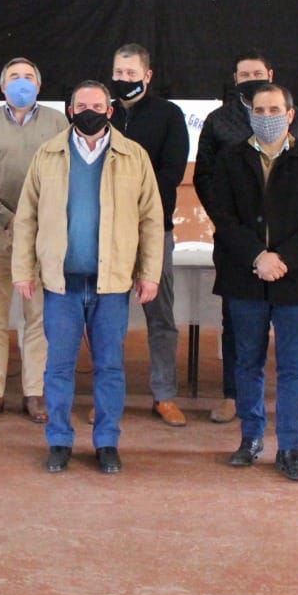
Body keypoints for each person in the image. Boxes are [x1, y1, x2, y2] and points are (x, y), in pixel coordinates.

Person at [13, 81, 163, 474]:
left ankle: (107, 441)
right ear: (70, 110)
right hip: (61, 283)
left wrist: (149, 273)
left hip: (111, 284)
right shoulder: (47, 154)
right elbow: (26, 217)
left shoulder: (134, 156)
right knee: (58, 367)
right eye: (82, 106)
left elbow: (151, 220)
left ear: (110, 111)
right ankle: (59, 441)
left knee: (110, 367)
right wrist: (23, 270)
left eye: (97, 106)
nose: (89, 112)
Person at [209, 83, 298, 482]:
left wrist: (282, 259)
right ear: (250, 115)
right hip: (245, 277)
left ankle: (290, 448)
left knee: (294, 369)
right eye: (259, 110)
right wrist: (257, 256)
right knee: (247, 363)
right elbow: (223, 217)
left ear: (290, 115)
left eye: (274, 110)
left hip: (295, 279)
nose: (266, 117)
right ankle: (250, 438)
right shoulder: (230, 158)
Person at [194, 51, 298, 425]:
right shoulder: (218, 122)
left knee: (292, 343)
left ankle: (291, 411)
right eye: (244, 75)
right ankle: (234, 397)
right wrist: (244, 241)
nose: (252, 79)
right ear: (235, 81)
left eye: (257, 73)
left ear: (271, 75)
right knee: (239, 332)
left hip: (291, 256)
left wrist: (282, 253)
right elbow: (205, 177)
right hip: (239, 249)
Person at [0, 57, 68, 424]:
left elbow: (65, 173)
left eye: (28, 76)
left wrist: (35, 222)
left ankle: (34, 392)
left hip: (41, 234)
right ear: (2, 86)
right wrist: (7, 219)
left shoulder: (57, 122)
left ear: (39, 85)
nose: (21, 82)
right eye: (14, 77)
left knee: (37, 315)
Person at [108, 43, 190, 426]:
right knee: (109, 320)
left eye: (131, 73)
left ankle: (164, 396)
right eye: (118, 73)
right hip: (109, 236)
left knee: (161, 317)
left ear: (147, 75)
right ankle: (109, 396)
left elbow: (171, 173)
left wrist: (129, 195)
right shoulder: (102, 114)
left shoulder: (169, 115)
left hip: (156, 232)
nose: (123, 79)